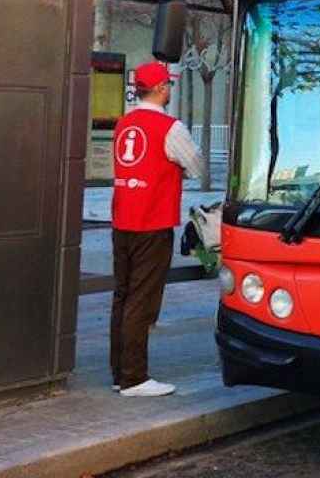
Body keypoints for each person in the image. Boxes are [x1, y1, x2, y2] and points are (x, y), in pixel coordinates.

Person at [110, 62, 208, 397]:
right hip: (153, 222)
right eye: (168, 85)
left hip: (122, 220)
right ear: (162, 88)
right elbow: (195, 164)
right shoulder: (170, 127)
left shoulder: (124, 123)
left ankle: (119, 372)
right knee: (143, 301)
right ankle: (134, 378)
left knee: (122, 296)